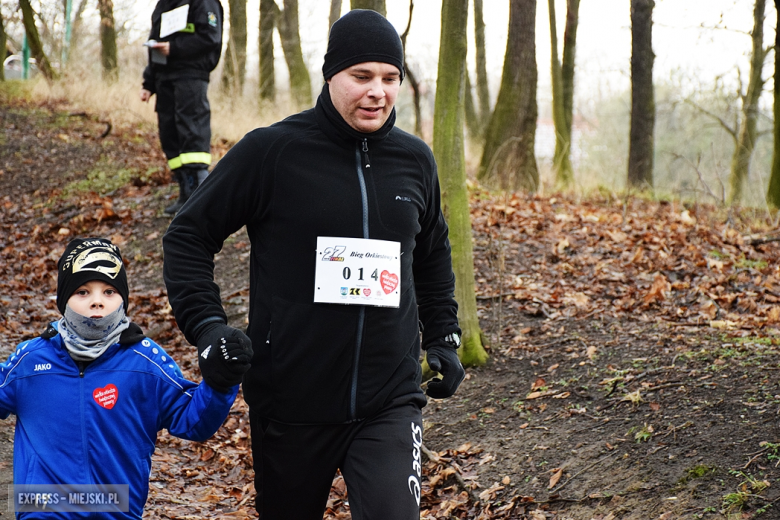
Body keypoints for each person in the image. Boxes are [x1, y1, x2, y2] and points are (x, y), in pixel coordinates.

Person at [162, 9, 465, 519]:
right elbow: (189, 235)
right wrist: (208, 328)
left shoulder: (415, 160)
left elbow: (431, 254)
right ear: (331, 76)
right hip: (292, 403)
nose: (378, 92)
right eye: (362, 76)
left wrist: (443, 336)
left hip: (389, 400)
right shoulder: (273, 152)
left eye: (390, 78)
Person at [0, 237, 251, 519]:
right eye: (82, 292)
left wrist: (221, 382)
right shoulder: (31, 360)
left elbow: (192, 421)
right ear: (63, 300)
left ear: (123, 299)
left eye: (109, 291)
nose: (97, 302)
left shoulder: (144, 362)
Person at [140, 0, 223, 215]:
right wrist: (148, 84)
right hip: (164, 78)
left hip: (191, 76)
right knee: (170, 134)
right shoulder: (163, 4)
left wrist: (174, 48)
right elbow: (154, 43)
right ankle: (185, 193)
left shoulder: (204, 3)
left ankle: (200, 196)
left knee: (191, 130)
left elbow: (210, 38)